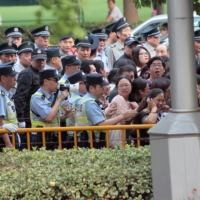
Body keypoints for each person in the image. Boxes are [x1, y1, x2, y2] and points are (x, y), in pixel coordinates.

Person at [75, 73, 137, 148]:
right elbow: (101, 125)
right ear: (91, 88)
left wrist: (105, 114)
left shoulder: (85, 100)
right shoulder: (90, 102)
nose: (103, 89)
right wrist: (123, 116)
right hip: (91, 142)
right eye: (100, 87)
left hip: (87, 140)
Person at [30, 69, 71, 150]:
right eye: (55, 80)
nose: (58, 83)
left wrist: (65, 116)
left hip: (53, 136)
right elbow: (48, 118)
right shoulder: (37, 97)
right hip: (41, 137)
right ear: (46, 81)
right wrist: (59, 99)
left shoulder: (53, 95)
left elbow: (55, 118)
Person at [14, 48, 47, 133]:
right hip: (29, 117)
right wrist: (21, 119)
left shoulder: (44, 73)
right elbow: (20, 97)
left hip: (41, 116)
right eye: (38, 60)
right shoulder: (27, 74)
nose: (41, 62)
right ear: (32, 60)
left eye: (42, 60)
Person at [107, 76, 138, 148]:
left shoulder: (129, 101)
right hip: (118, 139)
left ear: (131, 86)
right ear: (117, 88)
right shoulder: (118, 98)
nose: (124, 88)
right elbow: (125, 122)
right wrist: (137, 109)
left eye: (126, 85)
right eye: (121, 86)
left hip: (123, 139)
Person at [63, 70, 87, 148]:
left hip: (73, 136)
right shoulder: (78, 100)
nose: (87, 85)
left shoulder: (73, 97)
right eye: (84, 83)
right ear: (77, 85)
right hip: (78, 138)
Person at [0, 62, 19, 150]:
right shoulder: (1, 95)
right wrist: (8, 144)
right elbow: (0, 122)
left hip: (10, 135)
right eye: (12, 77)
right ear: (3, 78)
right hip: (4, 139)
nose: (15, 79)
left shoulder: (7, 94)